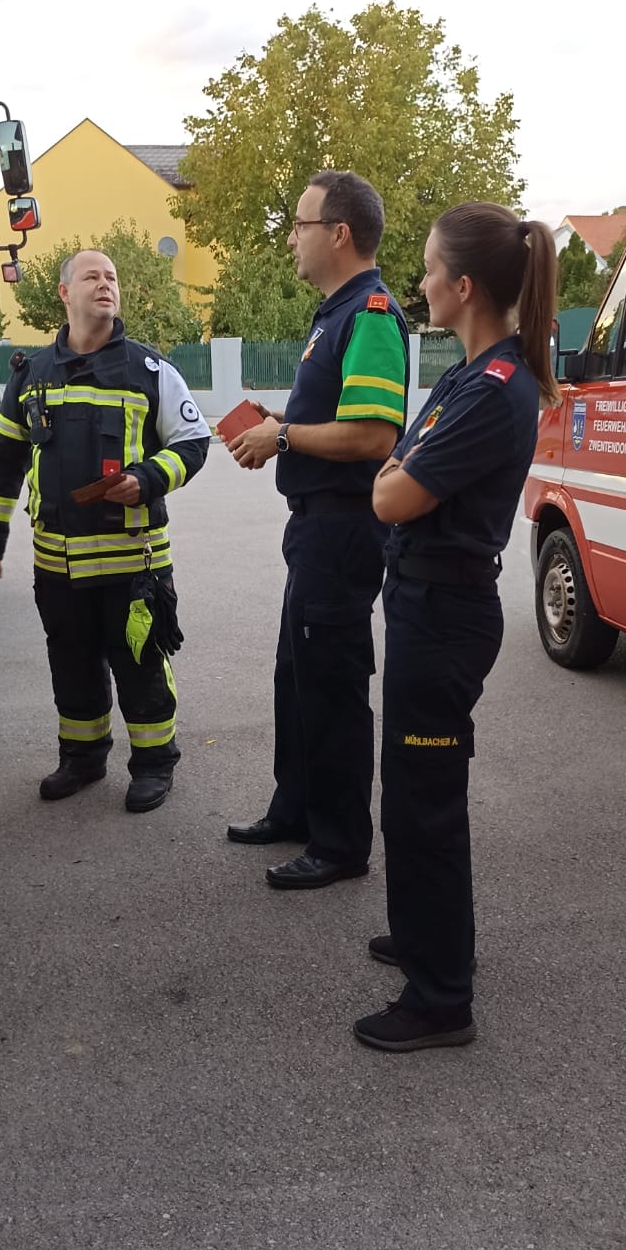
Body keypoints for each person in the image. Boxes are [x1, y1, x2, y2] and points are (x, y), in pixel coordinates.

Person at [352, 203, 558, 1051]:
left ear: (463, 286)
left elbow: (390, 492)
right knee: (408, 792)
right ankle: (422, 934)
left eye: (430, 269)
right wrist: (399, 471)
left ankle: (441, 999)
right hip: (423, 601)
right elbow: (398, 469)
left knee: (424, 802)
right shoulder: (468, 376)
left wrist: (398, 473)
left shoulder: (493, 390)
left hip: (444, 614)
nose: (421, 282)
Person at [0, 249, 210, 813]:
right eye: (92, 276)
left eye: (112, 277)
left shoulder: (151, 371)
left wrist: (148, 478)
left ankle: (154, 764)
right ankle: (82, 758)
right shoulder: (30, 376)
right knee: (71, 665)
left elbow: (193, 443)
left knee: (141, 665)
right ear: (64, 293)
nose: (106, 284)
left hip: (133, 564)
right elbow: (1, 465)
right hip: (58, 566)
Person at [225, 171, 410, 888]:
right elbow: (334, 417)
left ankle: (339, 844)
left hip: (341, 529)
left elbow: (373, 434)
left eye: (299, 226)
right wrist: (280, 423)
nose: (290, 241)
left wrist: (283, 436)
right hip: (315, 529)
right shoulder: (336, 315)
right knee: (297, 675)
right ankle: (296, 808)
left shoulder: (369, 314)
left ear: (338, 233)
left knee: (331, 684)